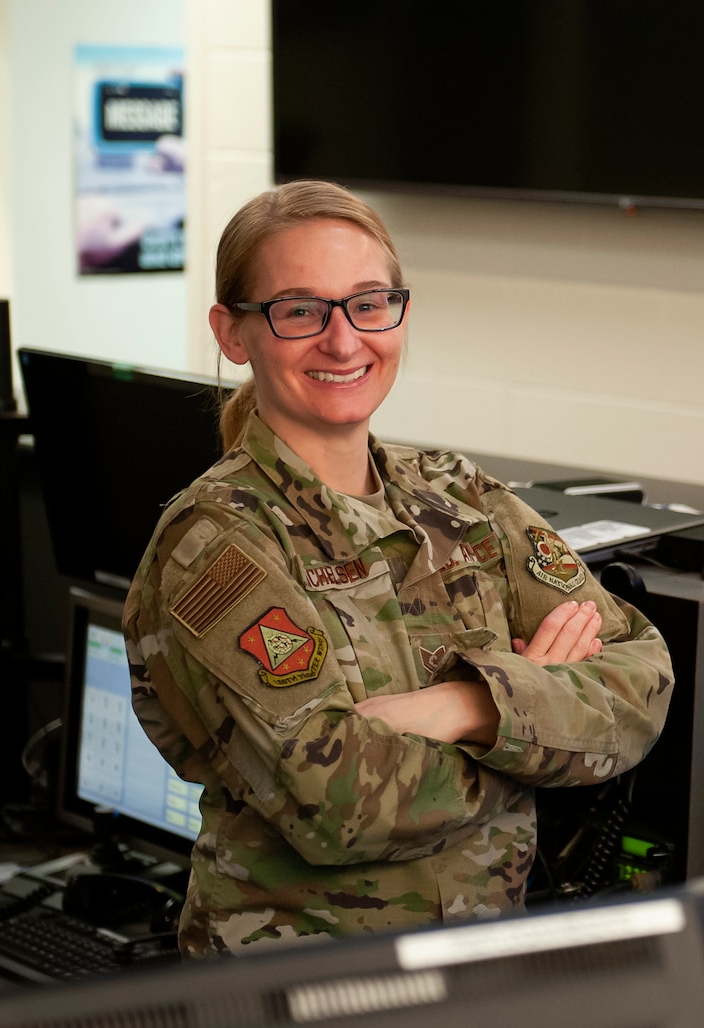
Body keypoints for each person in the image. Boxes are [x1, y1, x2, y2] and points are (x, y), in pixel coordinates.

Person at [123, 180, 674, 957]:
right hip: (299, 1004)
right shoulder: (217, 546)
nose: (344, 341)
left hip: (477, 982)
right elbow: (335, 802)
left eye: (368, 303)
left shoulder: (458, 495)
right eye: (299, 309)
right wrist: (536, 725)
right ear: (233, 332)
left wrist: (466, 708)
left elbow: (642, 684)